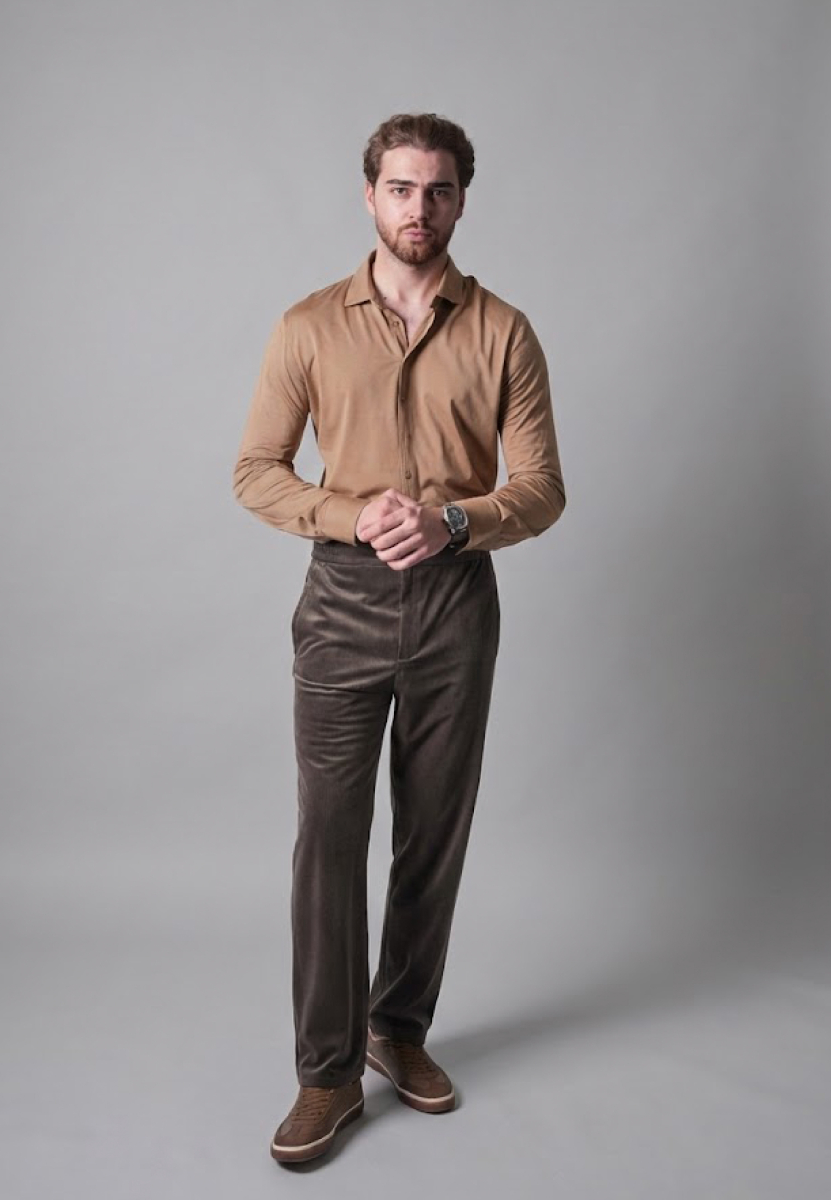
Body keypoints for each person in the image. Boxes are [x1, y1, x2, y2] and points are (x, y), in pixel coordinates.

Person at [232, 112, 566, 1164]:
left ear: (462, 199)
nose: (419, 208)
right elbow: (256, 471)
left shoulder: (504, 331)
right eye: (400, 188)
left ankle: (398, 1030)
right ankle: (326, 1075)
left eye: (438, 190)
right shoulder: (306, 326)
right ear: (369, 194)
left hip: (455, 603)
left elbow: (541, 488)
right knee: (329, 837)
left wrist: (455, 521)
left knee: (432, 832)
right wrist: (349, 513)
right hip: (342, 602)